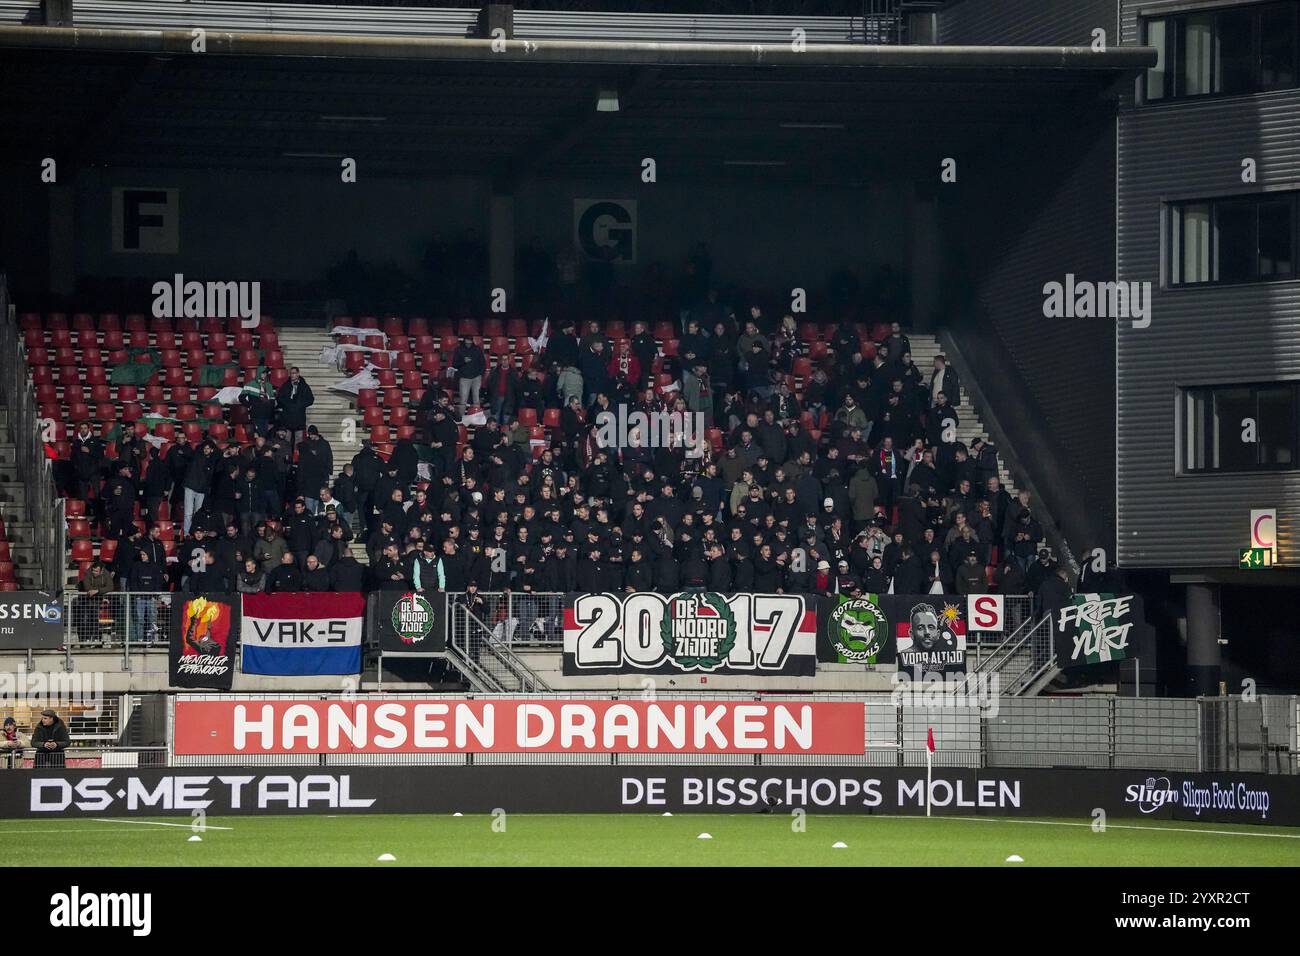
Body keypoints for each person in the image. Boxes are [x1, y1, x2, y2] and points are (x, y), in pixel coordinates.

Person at [276, 367, 315, 450]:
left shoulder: (304, 386)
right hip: (287, 418)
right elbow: (279, 398)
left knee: (299, 442)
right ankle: (287, 459)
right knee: (286, 442)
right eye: (291, 373)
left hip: (299, 418)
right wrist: (287, 404)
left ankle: (297, 460)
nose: (292, 375)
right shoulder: (285, 385)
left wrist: (300, 405)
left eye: (294, 373)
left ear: (298, 374)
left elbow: (311, 399)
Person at [450, 336, 487, 417]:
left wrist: (480, 374)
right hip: (464, 378)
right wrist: (463, 361)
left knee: (476, 400)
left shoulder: (477, 349)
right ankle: (460, 418)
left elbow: (483, 363)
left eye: (470, 341)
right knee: (463, 400)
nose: (468, 343)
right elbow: (454, 364)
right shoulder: (459, 350)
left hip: (476, 377)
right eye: (467, 341)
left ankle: (476, 418)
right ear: (464, 341)